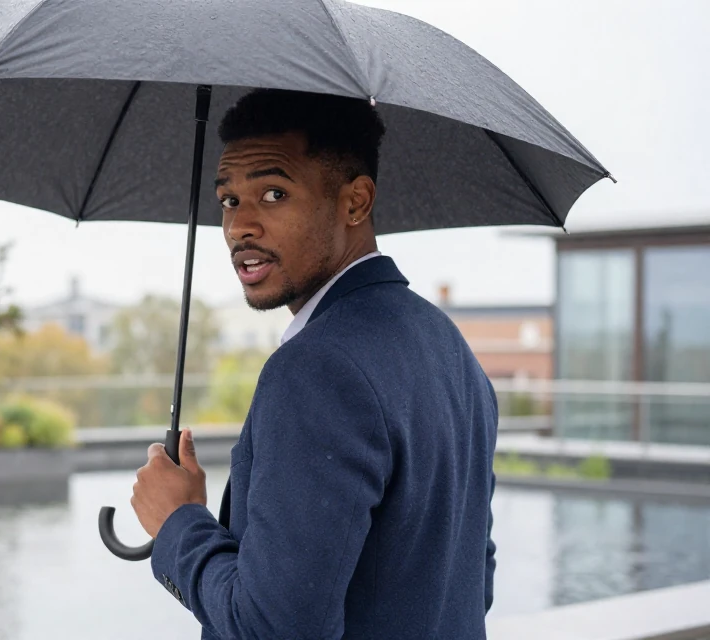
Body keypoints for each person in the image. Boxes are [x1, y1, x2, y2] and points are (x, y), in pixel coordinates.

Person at [129, 88, 499, 639]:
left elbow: (275, 629)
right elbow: (471, 581)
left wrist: (180, 524)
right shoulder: (446, 345)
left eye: (273, 193)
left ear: (355, 202)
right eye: (229, 200)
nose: (239, 227)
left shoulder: (315, 369)